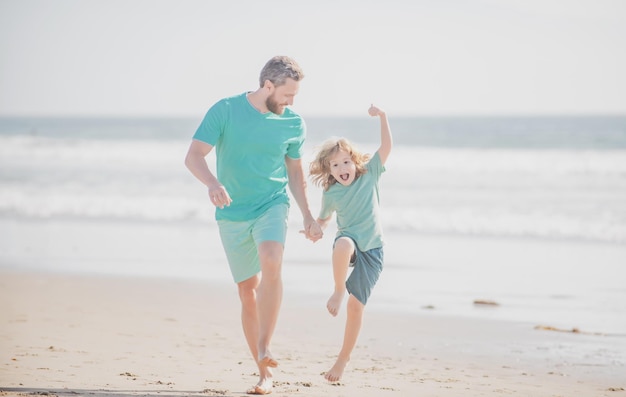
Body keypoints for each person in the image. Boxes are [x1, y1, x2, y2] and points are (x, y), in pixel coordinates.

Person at [184, 55, 322, 395]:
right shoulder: (226, 110)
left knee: (272, 259)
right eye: (288, 95)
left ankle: (265, 346)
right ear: (268, 86)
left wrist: (307, 214)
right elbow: (194, 155)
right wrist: (213, 184)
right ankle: (264, 373)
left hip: (272, 203)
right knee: (248, 292)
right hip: (232, 212)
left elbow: (295, 172)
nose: (291, 102)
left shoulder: (292, 123)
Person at [306, 104, 392, 383]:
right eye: (335, 164)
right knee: (343, 245)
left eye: (346, 162)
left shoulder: (370, 173)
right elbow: (324, 220)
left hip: (373, 249)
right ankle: (337, 290)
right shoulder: (331, 192)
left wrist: (382, 117)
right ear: (329, 170)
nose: (343, 168)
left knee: (357, 308)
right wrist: (314, 229)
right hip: (349, 241)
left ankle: (343, 359)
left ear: (355, 162)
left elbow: (387, 146)